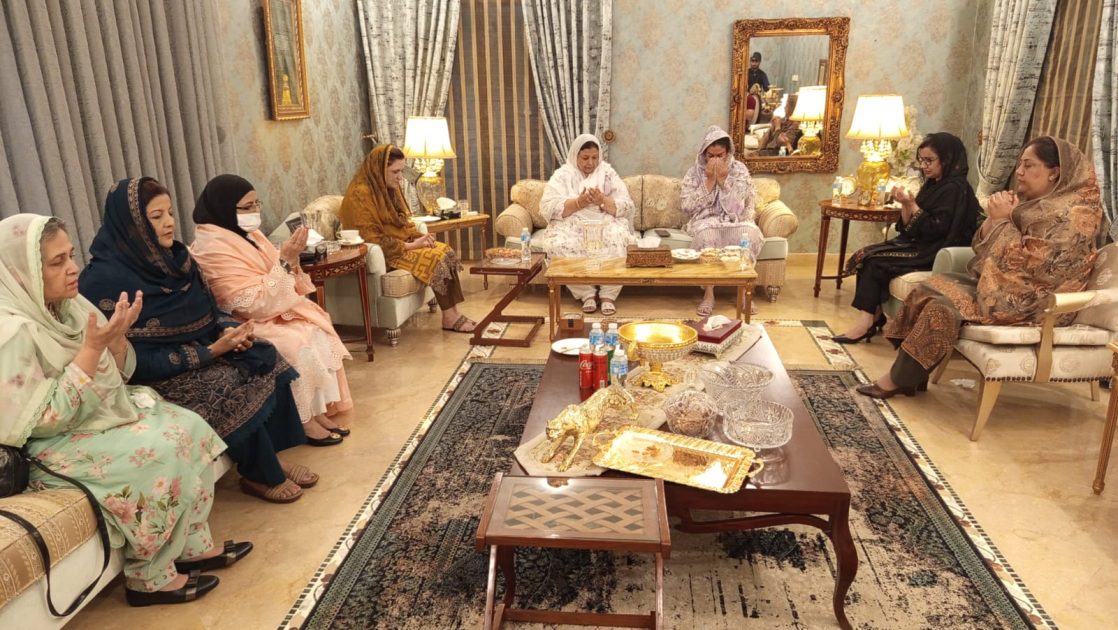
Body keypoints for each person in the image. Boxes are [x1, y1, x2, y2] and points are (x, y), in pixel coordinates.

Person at [0, 214, 253, 606]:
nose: (73, 268)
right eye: (57, 262)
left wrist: (115, 340)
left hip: (93, 417)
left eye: (71, 255)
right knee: (159, 451)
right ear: (23, 273)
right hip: (48, 446)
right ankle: (150, 578)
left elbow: (119, 373)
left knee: (190, 426)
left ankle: (190, 546)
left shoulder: (68, 307)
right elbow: (42, 421)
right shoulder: (12, 332)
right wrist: (91, 350)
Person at [79, 177, 315, 504]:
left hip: (205, 347)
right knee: (223, 382)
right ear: (131, 224)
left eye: (170, 213)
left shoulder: (178, 260)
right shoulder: (102, 280)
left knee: (262, 354)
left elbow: (210, 310)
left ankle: (272, 457)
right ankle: (260, 474)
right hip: (157, 372)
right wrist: (210, 352)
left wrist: (226, 332)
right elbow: (130, 359)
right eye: (156, 216)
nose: (169, 223)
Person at [858, 137, 1102, 399]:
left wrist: (1003, 221)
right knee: (932, 286)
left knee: (942, 309)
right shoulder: (1033, 205)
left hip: (1039, 302)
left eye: (1029, 165)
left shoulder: (1069, 215)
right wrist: (996, 220)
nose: (1019, 172)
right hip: (1013, 286)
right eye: (1020, 164)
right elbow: (981, 247)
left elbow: (1036, 268)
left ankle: (895, 381)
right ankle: (912, 377)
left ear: (1054, 172)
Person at [189, 174, 354, 441]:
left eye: (257, 204)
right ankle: (303, 420)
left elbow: (275, 268)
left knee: (316, 330)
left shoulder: (248, 234)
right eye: (247, 206)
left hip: (271, 308)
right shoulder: (211, 248)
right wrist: (286, 261)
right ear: (224, 207)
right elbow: (252, 304)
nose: (255, 211)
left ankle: (316, 411)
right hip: (242, 321)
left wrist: (290, 260)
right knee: (296, 343)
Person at [834, 132, 980, 343]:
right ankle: (873, 317)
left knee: (875, 262)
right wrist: (905, 204)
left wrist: (912, 205)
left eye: (929, 160)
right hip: (919, 243)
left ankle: (866, 323)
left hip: (935, 250)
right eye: (921, 160)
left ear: (947, 159)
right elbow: (907, 228)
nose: (924, 166)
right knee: (867, 255)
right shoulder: (933, 184)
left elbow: (935, 229)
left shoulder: (956, 189)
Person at [340, 145, 477, 332]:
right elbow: (370, 239)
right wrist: (412, 245)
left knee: (444, 250)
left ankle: (452, 313)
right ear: (378, 169)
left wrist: (420, 237)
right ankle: (450, 317)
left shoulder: (388, 188)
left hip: (399, 244)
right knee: (435, 258)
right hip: (384, 253)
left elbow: (402, 222)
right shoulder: (360, 195)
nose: (400, 177)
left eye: (402, 171)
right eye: (395, 171)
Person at [539, 133, 637, 315]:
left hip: (604, 220)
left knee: (619, 238)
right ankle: (586, 294)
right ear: (575, 155)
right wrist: (579, 202)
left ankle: (608, 295)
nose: (590, 163)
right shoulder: (562, 176)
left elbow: (626, 205)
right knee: (558, 244)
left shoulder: (608, 173)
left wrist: (602, 200)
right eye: (585, 158)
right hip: (572, 222)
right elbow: (548, 207)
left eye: (594, 157)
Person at [682, 125, 765, 317]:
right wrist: (709, 182)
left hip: (736, 221)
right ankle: (709, 294)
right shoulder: (694, 173)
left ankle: (743, 293)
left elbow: (737, 208)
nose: (715, 160)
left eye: (720, 155)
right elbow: (687, 206)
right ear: (704, 154)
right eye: (710, 156)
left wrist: (724, 181)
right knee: (706, 235)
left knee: (748, 234)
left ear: (728, 153)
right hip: (706, 220)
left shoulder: (739, 170)